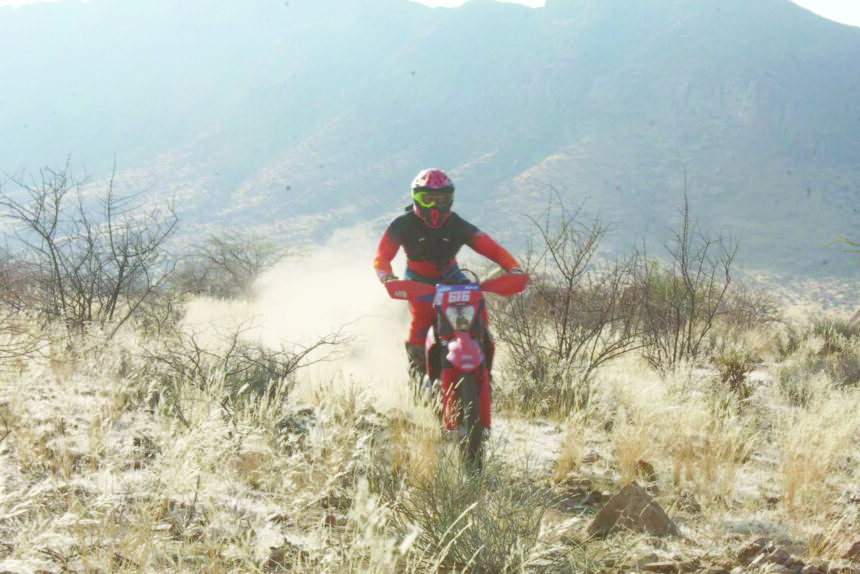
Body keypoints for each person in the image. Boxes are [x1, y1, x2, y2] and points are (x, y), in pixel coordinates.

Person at [374, 168, 524, 382]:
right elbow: (382, 255)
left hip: (452, 277)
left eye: (440, 200)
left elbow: (492, 249)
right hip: (418, 280)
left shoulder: (457, 224)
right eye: (428, 200)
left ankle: (484, 370)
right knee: (421, 320)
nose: (434, 206)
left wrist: (514, 268)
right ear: (417, 199)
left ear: (449, 199)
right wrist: (387, 277)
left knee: (478, 310)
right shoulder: (402, 224)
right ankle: (419, 378)